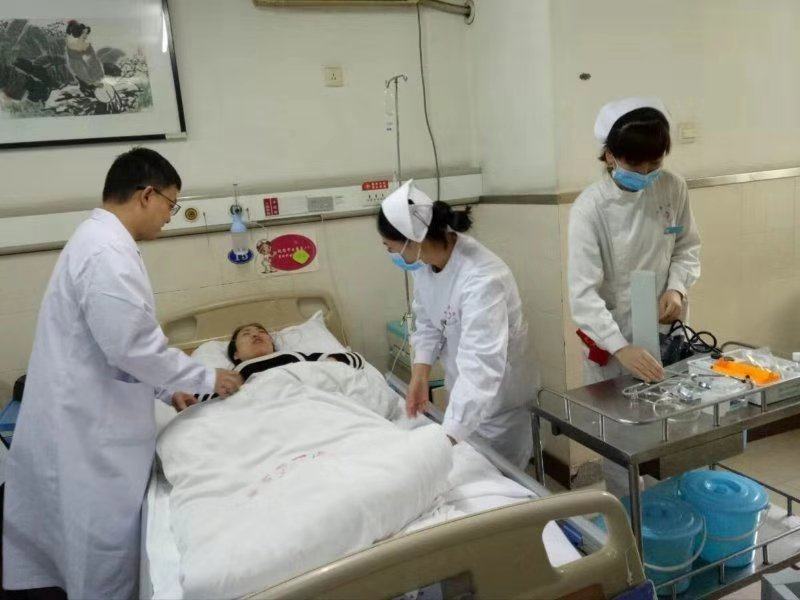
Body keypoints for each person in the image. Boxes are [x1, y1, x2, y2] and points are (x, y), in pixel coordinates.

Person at [3, 148, 242, 600]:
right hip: (88, 434)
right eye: (171, 205)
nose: (170, 217)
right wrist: (206, 379)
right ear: (147, 195)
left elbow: (117, 347)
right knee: (100, 555)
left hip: (87, 418)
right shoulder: (106, 253)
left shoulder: (100, 241)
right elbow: (132, 347)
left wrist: (166, 390)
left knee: (86, 548)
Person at [567, 97, 701, 495]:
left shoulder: (672, 187)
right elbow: (583, 294)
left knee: (673, 427)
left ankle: (672, 508)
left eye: (654, 164)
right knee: (620, 442)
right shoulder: (590, 209)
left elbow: (687, 248)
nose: (646, 174)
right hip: (613, 343)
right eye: (635, 164)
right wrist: (620, 347)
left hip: (665, 330)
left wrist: (676, 287)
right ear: (610, 155)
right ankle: (626, 515)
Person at [377, 180, 537, 469]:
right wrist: (420, 374)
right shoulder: (425, 264)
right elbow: (427, 322)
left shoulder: (482, 279)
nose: (390, 254)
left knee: (500, 481)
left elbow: (481, 366)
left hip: (499, 406)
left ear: (413, 240)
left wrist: (443, 441)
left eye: (390, 247)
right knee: (463, 463)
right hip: (464, 398)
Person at [173, 323, 368, 410]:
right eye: (246, 334)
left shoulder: (296, 356)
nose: (255, 334)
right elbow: (199, 402)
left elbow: (355, 361)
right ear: (236, 354)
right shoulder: (232, 375)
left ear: (272, 343)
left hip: (308, 402)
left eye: (261, 332)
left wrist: (329, 365)